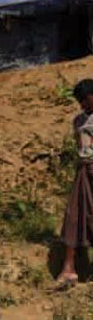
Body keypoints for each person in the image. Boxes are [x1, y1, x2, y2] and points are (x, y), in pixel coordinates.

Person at [55, 78, 93, 288]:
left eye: (86, 99)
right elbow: (81, 147)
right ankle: (69, 269)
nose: (83, 104)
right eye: (80, 101)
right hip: (84, 170)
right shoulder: (78, 120)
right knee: (73, 215)